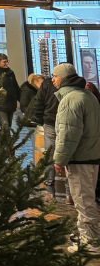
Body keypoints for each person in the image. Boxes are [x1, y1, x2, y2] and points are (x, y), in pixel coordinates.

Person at [52, 61, 100, 252]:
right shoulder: (87, 96)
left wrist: (59, 160)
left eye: (54, 76)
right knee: (85, 199)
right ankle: (85, 235)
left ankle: (91, 242)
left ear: (63, 78)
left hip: (80, 158)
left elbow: (68, 135)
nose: (53, 80)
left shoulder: (70, 100)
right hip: (92, 156)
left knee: (84, 201)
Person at [32, 70, 61, 198]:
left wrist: (39, 120)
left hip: (50, 121)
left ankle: (50, 188)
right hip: (59, 122)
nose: (53, 78)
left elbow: (39, 102)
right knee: (67, 155)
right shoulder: (71, 85)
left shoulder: (47, 84)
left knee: (50, 154)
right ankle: (69, 194)